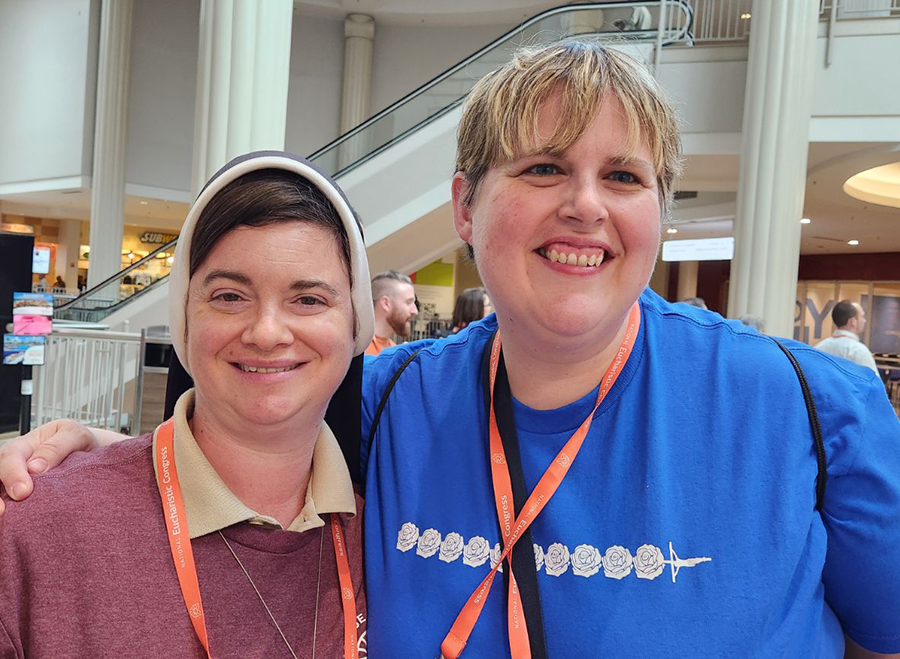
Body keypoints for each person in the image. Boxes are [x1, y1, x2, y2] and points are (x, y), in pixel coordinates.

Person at [2, 42, 899, 658]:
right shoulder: (386, 403)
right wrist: (87, 458)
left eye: (623, 176)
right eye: (544, 167)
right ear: (466, 207)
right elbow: (245, 429)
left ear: (658, 214)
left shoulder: (811, 411)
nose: (585, 205)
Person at [0, 153, 370, 657]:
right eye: (228, 296)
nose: (266, 332)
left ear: (356, 325)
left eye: (308, 300)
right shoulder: (35, 528)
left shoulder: (388, 538)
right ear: (185, 320)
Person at [815, 299, 879, 374]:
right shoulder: (859, 351)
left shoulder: (818, 348)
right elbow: (874, 384)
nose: (864, 321)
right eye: (862, 316)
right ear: (853, 321)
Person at [365, 269, 418, 355]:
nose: (415, 311)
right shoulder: (357, 350)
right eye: (408, 302)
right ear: (386, 303)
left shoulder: (394, 351)